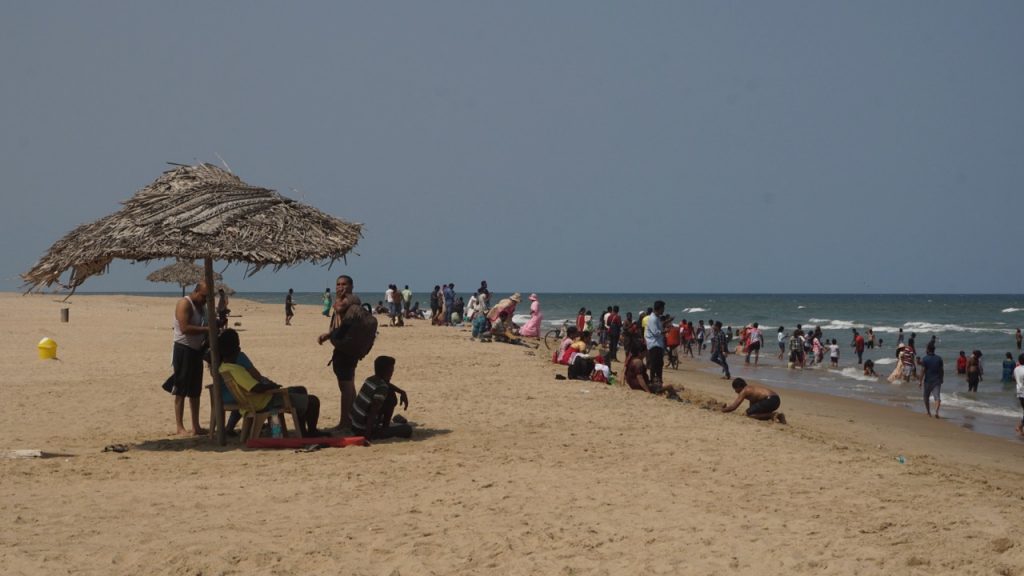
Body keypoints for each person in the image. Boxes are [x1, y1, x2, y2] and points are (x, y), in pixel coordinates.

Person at [218, 329, 323, 436]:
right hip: (263, 402)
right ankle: (310, 431)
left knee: (300, 390)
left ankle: (299, 432)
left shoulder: (223, 367)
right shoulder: (236, 369)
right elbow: (255, 388)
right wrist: (271, 387)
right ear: (237, 348)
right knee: (313, 401)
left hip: (253, 402)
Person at [161, 281, 211, 436]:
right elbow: (185, 328)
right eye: (203, 296)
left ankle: (196, 425)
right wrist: (207, 329)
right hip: (183, 349)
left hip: (197, 350)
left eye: (207, 298)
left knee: (195, 390)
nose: (205, 300)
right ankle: (179, 426)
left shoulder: (202, 307)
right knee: (181, 388)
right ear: (196, 292)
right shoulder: (184, 303)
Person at [317, 274, 360, 432]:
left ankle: (345, 422)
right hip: (342, 347)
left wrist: (339, 298)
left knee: (345, 386)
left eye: (344, 284)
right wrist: (328, 335)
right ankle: (354, 417)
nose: (340, 287)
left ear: (351, 286)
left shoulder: (352, 299)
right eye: (338, 284)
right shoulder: (343, 300)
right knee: (349, 385)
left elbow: (339, 308)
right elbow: (339, 323)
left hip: (347, 349)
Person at [350, 356, 413, 440]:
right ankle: (385, 427)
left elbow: (386, 384)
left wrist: (401, 391)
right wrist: (367, 437)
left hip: (353, 424)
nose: (392, 372)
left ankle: (387, 426)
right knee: (407, 429)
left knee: (390, 394)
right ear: (387, 371)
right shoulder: (382, 388)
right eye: (391, 370)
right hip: (363, 429)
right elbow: (373, 412)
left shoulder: (370, 379)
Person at [721, 378, 786, 423]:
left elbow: (734, 407)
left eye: (735, 389)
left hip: (769, 400)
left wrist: (722, 410)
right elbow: (753, 406)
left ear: (739, 386)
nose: (735, 391)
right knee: (752, 412)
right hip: (776, 400)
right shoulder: (751, 388)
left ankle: (772, 415)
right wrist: (751, 410)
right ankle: (778, 416)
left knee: (748, 414)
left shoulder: (745, 391)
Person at [918, 343, 943, 418]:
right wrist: (942, 378)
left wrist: (920, 381)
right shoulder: (939, 358)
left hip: (928, 381)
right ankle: (936, 411)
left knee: (926, 397)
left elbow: (922, 371)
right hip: (937, 381)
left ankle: (928, 412)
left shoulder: (925, 359)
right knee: (937, 397)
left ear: (928, 350)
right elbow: (941, 370)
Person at [644, 301, 667, 384]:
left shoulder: (656, 318)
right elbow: (655, 332)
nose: (663, 310)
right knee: (655, 364)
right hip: (654, 344)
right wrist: (665, 332)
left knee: (659, 364)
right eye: (663, 308)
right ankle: (653, 381)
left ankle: (658, 381)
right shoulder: (653, 318)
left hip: (658, 344)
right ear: (659, 308)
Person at [1013, 354, 1024, 436]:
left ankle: (1020, 427)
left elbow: (1014, 378)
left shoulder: (1016, 368)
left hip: (1019, 392)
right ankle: (1020, 427)